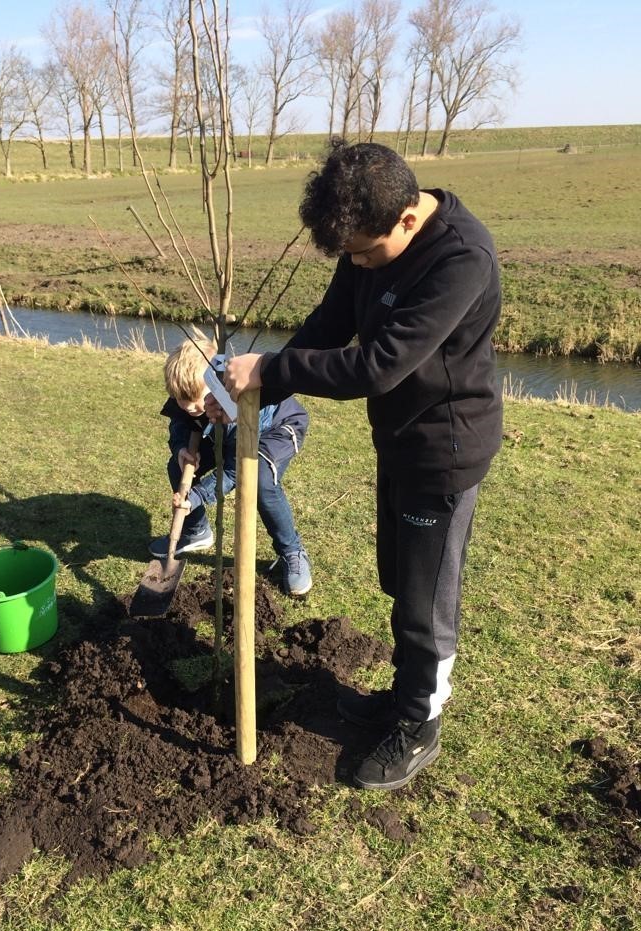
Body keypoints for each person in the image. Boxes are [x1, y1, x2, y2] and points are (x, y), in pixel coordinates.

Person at [213, 140, 503, 790]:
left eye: (367, 253)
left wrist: (274, 368)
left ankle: (418, 729)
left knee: (428, 604)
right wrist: (257, 390)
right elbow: (333, 320)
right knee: (403, 585)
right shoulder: (368, 240)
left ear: (407, 218)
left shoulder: (462, 258)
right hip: (399, 441)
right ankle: (402, 699)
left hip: (445, 454)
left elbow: (379, 365)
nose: (360, 266)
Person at [150, 336, 313, 596]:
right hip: (222, 431)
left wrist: (198, 495)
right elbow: (180, 421)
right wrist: (181, 448)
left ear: (217, 383)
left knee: (260, 481)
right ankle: (196, 531)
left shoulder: (237, 403)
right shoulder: (187, 395)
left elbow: (234, 470)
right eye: (182, 399)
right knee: (176, 466)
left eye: (196, 400)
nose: (190, 407)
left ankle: (292, 552)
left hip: (273, 429)